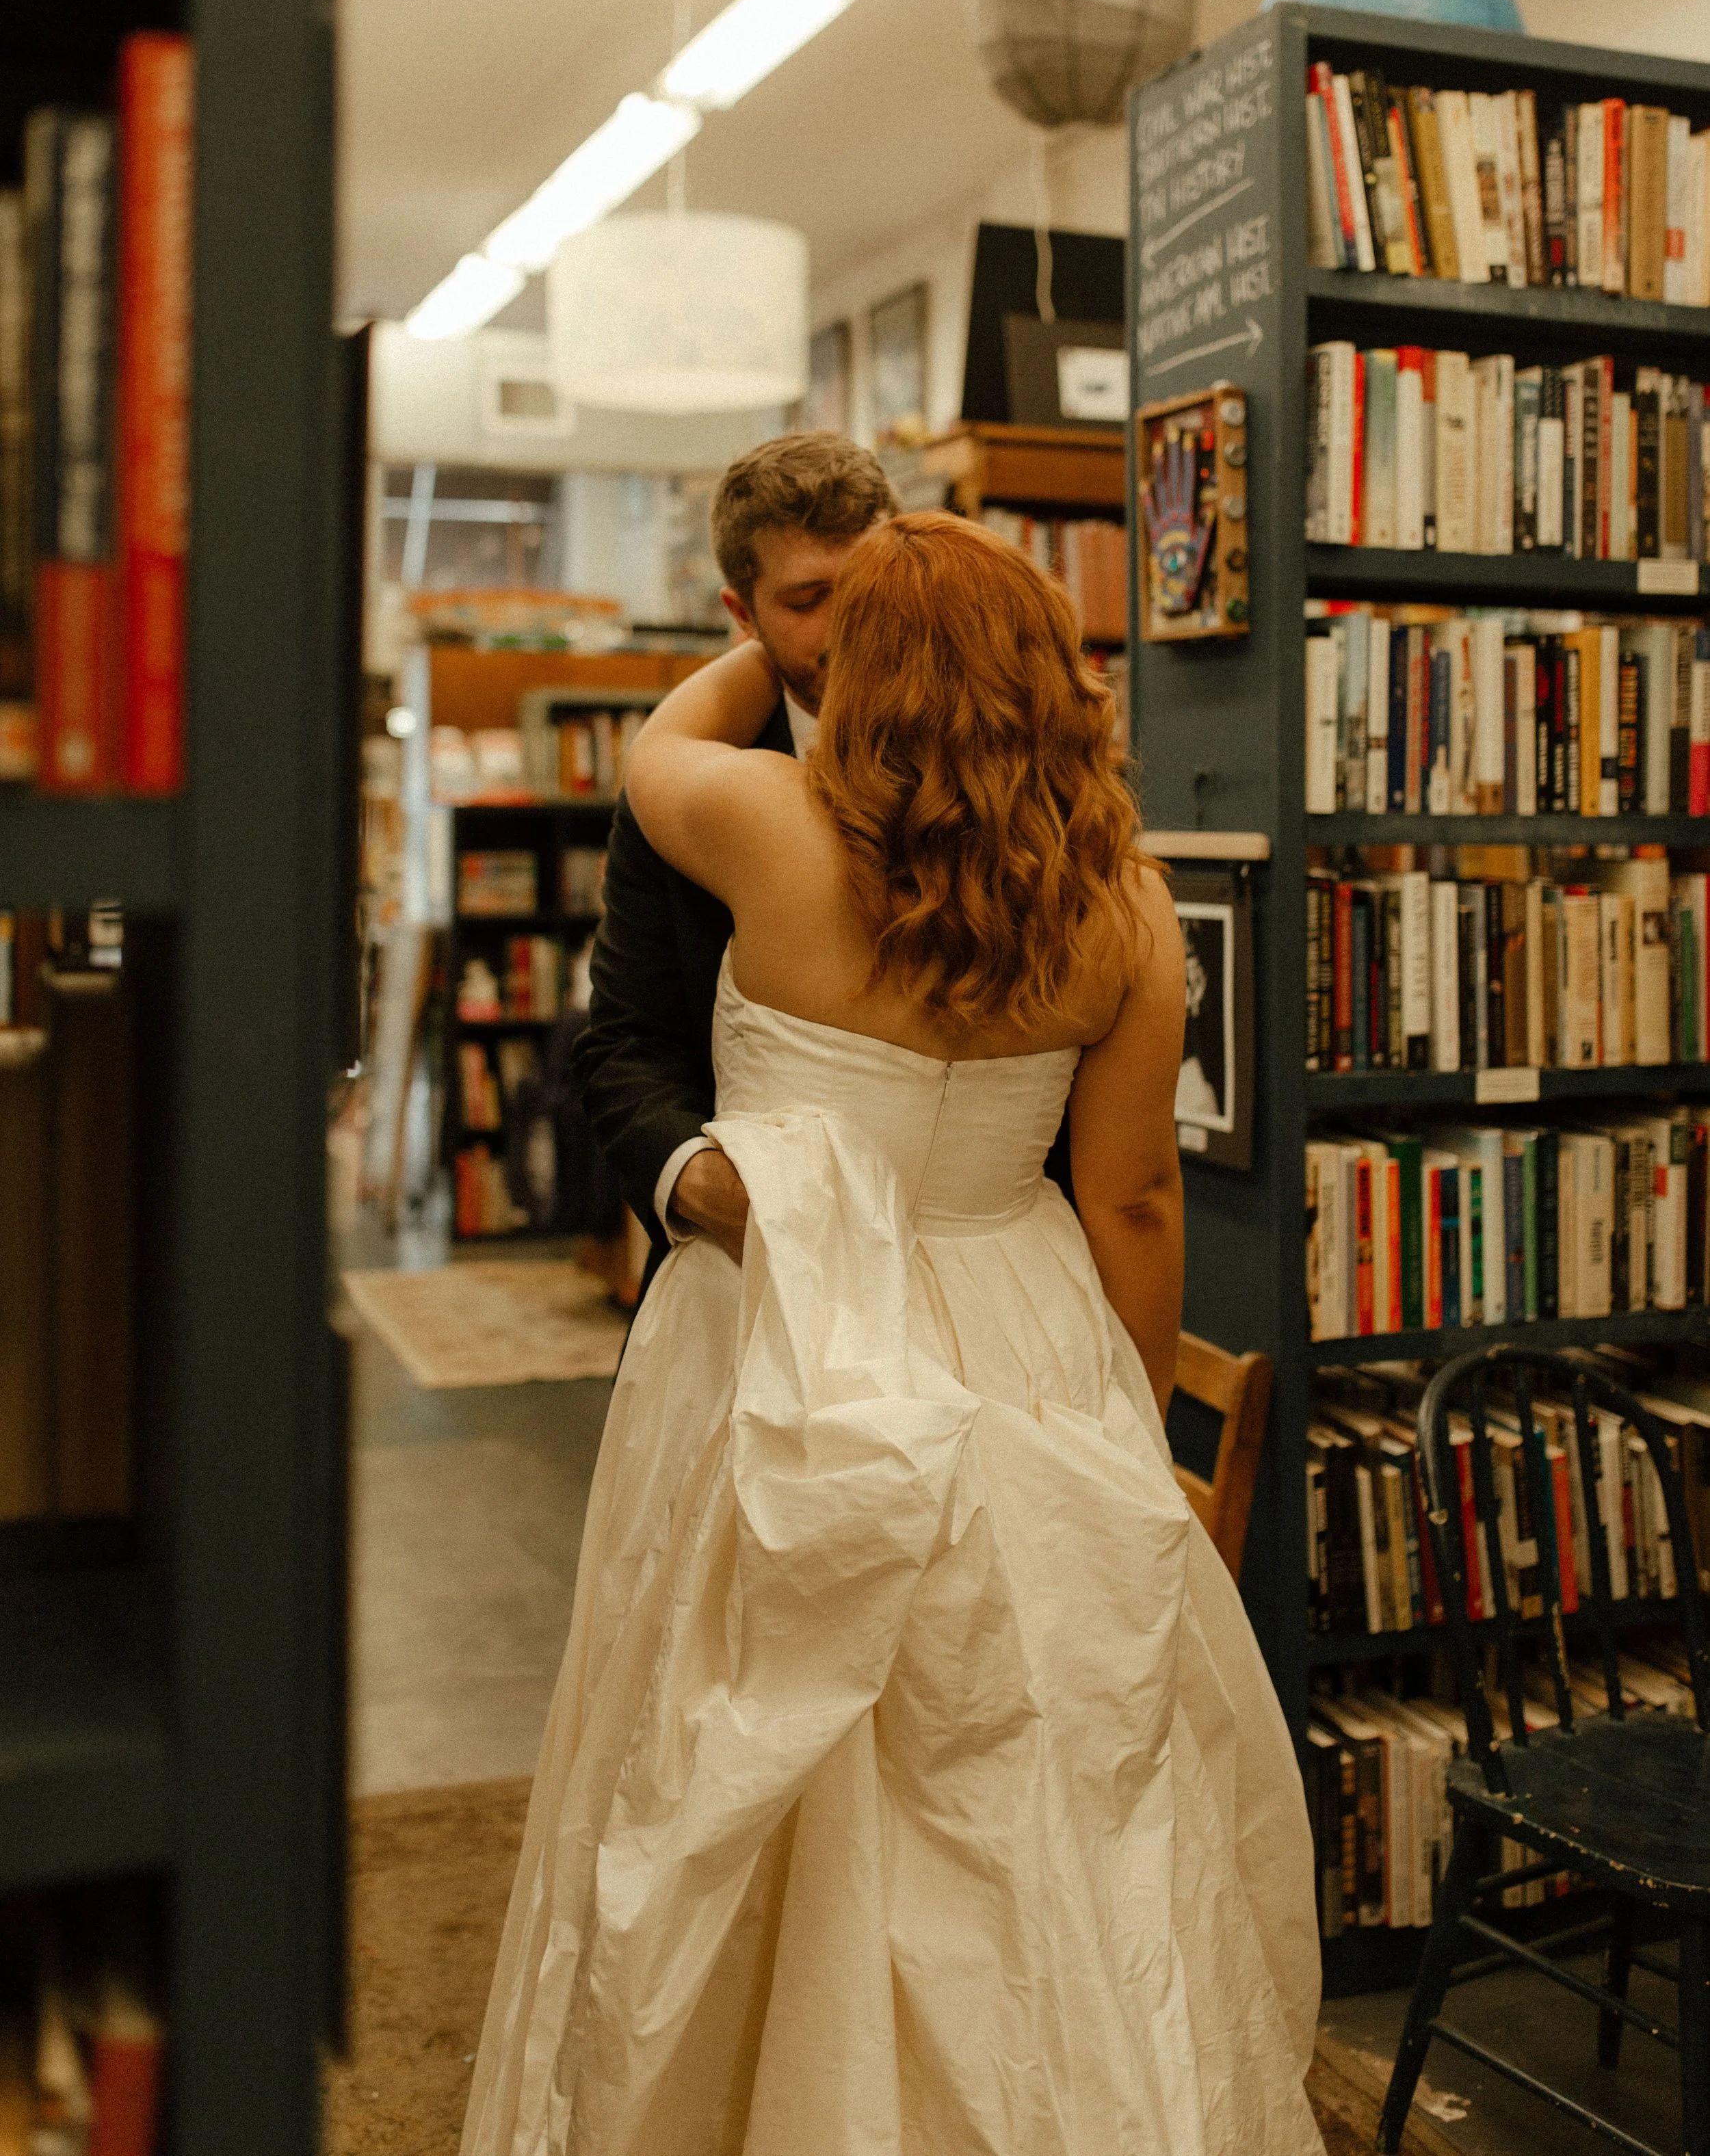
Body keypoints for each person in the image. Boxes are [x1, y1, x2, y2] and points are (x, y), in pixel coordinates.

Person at [462, 512, 1324, 2156]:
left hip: (785, 1326)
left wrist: (767, 628)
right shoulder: (1125, 907)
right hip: (1022, 1329)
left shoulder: (769, 827)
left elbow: (654, 750)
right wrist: (1127, 1421)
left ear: (855, 669)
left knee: (735, 1715)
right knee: (1025, 1766)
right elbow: (1133, 1199)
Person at [570, 430, 897, 1292]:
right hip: (743, 1268)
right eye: (807, 600)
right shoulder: (683, 782)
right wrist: (700, 1181)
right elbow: (626, 1044)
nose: (848, 625)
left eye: (868, 586)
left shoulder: (1001, 756)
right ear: (742, 615)